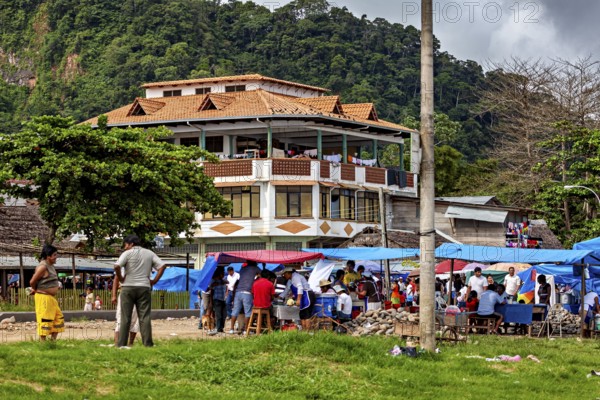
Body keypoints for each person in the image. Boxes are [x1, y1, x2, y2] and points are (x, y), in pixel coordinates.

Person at [114, 234, 167, 348]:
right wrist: (154, 281)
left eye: (126, 245)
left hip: (128, 287)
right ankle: (148, 343)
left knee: (125, 317)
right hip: (144, 287)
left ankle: (121, 344)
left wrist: (122, 279)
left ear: (131, 244)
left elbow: (117, 266)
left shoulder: (127, 253)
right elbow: (162, 266)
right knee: (145, 317)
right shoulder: (149, 253)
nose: (125, 247)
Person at [30, 244, 65, 341]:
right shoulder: (43, 267)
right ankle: (43, 344)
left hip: (51, 298)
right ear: (48, 256)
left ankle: (52, 342)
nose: (56, 257)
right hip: (43, 297)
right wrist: (35, 289)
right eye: (54, 255)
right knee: (45, 320)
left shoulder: (51, 266)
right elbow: (32, 281)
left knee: (59, 318)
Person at [229, 260, 261, 334]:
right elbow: (263, 275)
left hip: (238, 292)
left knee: (235, 311)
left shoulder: (242, 268)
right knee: (248, 312)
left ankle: (231, 329)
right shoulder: (256, 268)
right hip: (247, 292)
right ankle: (246, 330)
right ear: (254, 262)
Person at [280, 266, 316, 331]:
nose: (284, 276)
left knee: (306, 315)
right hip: (303, 297)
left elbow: (300, 288)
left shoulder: (295, 277)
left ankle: (307, 332)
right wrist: (279, 296)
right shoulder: (290, 281)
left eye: (284, 274)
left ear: (288, 273)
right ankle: (304, 332)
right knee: (302, 315)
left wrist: (298, 299)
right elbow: (286, 291)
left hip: (307, 296)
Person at [112, 276, 139, 346]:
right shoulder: (124, 266)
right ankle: (117, 344)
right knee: (120, 319)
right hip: (125, 294)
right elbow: (116, 278)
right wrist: (114, 295)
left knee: (135, 320)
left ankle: (130, 343)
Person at [209, 268, 227, 335]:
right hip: (216, 299)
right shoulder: (213, 281)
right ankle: (218, 328)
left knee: (224, 315)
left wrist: (221, 281)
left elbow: (227, 282)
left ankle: (221, 328)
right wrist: (211, 302)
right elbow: (211, 291)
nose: (223, 275)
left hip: (223, 299)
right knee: (218, 315)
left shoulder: (223, 281)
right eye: (222, 273)